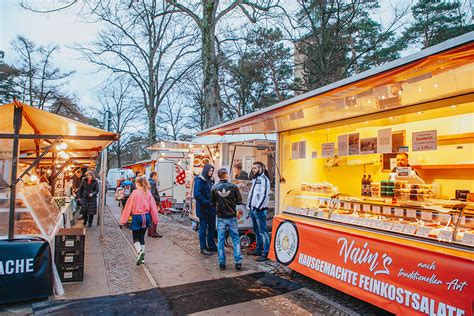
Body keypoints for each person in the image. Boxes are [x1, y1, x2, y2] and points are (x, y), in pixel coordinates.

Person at [120, 176, 159, 265]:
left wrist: (123, 220)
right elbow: (153, 207)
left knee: (135, 238)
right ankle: (142, 258)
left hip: (137, 217)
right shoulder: (148, 193)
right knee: (142, 237)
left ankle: (139, 252)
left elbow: (128, 207)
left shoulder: (134, 193)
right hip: (146, 217)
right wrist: (156, 220)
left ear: (138, 183)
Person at [211, 168, 243, 271]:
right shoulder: (233, 187)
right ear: (226, 175)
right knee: (235, 239)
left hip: (220, 217)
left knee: (220, 240)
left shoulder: (214, 187)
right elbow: (239, 201)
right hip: (232, 216)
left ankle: (222, 263)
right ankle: (238, 262)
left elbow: (212, 203)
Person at [247, 162, 271, 262]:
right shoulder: (255, 179)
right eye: (253, 168)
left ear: (261, 168)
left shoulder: (264, 180)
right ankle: (258, 249)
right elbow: (252, 193)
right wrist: (249, 205)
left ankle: (265, 253)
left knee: (263, 232)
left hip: (260, 210)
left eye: (255, 168)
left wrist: (257, 207)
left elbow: (264, 194)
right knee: (256, 231)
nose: (253, 170)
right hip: (253, 209)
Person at [193, 163, 217, 256]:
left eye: (212, 171)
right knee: (203, 228)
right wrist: (207, 202)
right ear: (206, 170)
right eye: (210, 170)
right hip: (203, 209)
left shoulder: (210, 180)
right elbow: (197, 195)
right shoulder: (199, 180)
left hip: (211, 209)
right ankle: (203, 247)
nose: (211, 172)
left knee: (211, 228)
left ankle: (211, 245)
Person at [148, 171, 163, 238]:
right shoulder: (152, 183)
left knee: (151, 217)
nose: (157, 177)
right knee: (154, 217)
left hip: (151, 202)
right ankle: (153, 232)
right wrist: (158, 198)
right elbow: (152, 193)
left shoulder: (149, 181)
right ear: (154, 176)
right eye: (157, 176)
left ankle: (150, 232)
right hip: (153, 202)